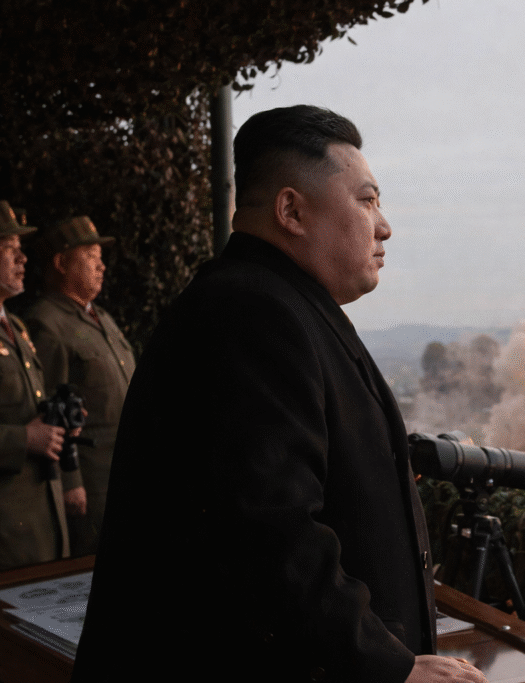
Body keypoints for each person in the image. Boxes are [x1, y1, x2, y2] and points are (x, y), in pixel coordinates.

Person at [73, 106, 488, 683]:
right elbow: (270, 533)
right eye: (367, 201)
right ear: (291, 211)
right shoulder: (252, 316)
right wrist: (390, 667)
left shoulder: (270, 305)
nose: (385, 225)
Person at [24, 216, 136, 556]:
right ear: (60, 263)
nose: (101, 265)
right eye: (90, 255)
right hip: (91, 483)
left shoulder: (102, 318)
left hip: (123, 472)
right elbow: (49, 410)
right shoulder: (46, 323)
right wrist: (70, 482)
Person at [0, 200, 70, 571]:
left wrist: (58, 426)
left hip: (41, 524)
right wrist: (23, 439)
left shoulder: (18, 328)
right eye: (9, 250)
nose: (22, 259)